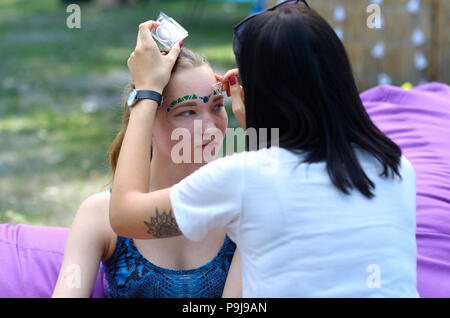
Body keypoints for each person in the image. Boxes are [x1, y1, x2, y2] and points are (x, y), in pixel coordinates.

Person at [109, 1, 418, 297]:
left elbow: (124, 215)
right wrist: (260, 124)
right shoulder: (396, 167)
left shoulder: (243, 178)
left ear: (263, 97)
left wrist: (147, 91)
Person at [52, 47, 241, 298]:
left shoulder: (241, 203)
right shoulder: (98, 215)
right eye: (187, 112)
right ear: (145, 121)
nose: (210, 129)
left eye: (217, 106)